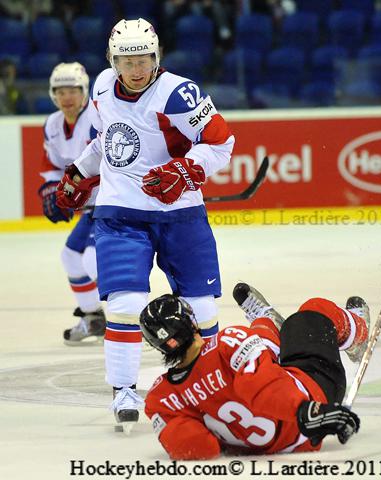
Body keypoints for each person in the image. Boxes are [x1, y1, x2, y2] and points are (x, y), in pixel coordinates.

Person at [56, 18, 234, 431]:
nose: (136, 69)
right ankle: (123, 390)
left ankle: (206, 386)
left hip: (181, 216)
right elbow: (109, 142)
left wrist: (187, 170)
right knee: (124, 304)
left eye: (144, 59)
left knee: (204, 310)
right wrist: (80, 173)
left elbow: (222, 142)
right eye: (126, 60)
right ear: (112, 60)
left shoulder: (179, 93)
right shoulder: (101, 87)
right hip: (120, 215)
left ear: (157, 57)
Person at [141, 282, 369, 460]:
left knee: (258, 349)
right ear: (192, 323)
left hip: (280, 443)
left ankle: (267, 321)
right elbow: (262, 387)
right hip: (313, 393)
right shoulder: (226, 343)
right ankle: (357, 333)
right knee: (313, 311)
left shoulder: (160, 398)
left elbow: (198, 448)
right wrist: (306, 412)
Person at [38, 62, 106, 345]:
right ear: (54, 94)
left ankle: (125, 320)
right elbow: (52, 166)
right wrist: (53, 192)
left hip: (108, 201)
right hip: (89, 206)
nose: (67, 97)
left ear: (84, 92)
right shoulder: (52, 124)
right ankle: (93, 318)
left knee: (92, 260)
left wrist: (75, 190)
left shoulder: (96, 117)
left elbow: (108, 161)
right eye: (61, 91)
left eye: (73, 91)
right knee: (70, 257)